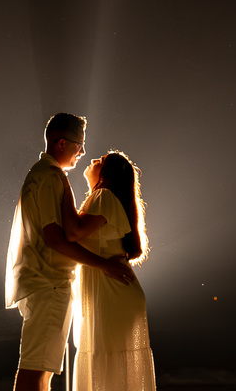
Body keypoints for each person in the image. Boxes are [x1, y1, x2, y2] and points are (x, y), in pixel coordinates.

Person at [5, 113, 136, 391]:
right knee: (36, 372)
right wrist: (105, 265)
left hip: (41, 282)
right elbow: (57, 239)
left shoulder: (42, 174)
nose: (84, 152)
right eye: (80, 144)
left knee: (41, 371)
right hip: (48, 282)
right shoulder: (51, 177)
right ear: (62, 143)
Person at [63, 150, 156, 391]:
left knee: (105, 364)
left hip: (111, 290)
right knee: (113, 368)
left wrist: (62, 186)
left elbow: (72, 233)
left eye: (101, 161)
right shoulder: (102, 198)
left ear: (107, 174)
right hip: (115, 289)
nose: (94, 160)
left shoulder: (103, 196)